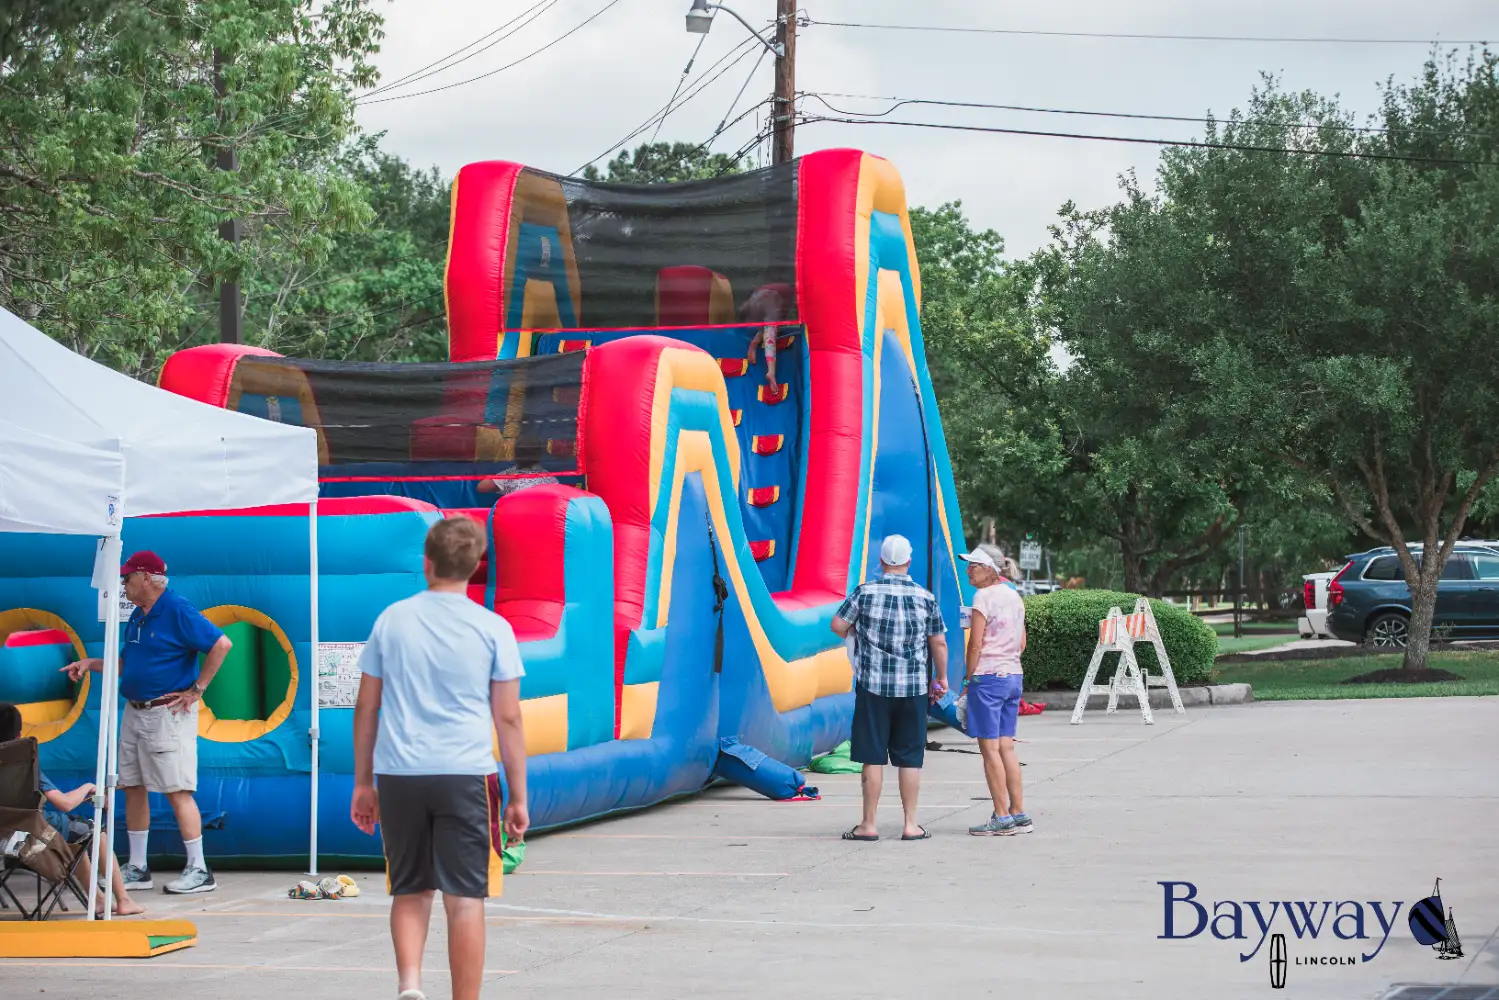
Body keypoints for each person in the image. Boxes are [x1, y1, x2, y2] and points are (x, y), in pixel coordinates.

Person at [350, 516, 529, 1000]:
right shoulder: (493, 628)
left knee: (410, 889)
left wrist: (363, 782)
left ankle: (410, 985)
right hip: (465, 772)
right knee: (465, 899)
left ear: (426, 562)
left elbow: (366, 705)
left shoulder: (392, 620)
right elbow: (508, 718)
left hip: (400, 772)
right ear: (475, 567)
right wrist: (519, 796)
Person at [62, 551, 231, 894]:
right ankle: (138, 867)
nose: (123, 583)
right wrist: (91, 662)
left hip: (166, 714)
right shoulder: (139, 617)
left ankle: (199, 869)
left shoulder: (177, 609)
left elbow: (221, 643)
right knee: (132, 786)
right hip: (135, 711)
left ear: (146, 577)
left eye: (127, 577)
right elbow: (128, 665)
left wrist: (197, 689)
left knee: (176, 789)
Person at [830, 534, 948, 842]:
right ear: (909, 561)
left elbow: (837, 625)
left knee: (873, 755)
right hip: (913, 689)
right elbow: (938, 641)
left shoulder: (864, 593)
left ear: (881, 562)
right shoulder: (925, 597)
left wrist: (859, 632)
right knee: (910, 756)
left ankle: (869, 824)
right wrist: (942, 679)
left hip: (873, 687)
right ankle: (911, 824)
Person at [0, 703, 144, 915]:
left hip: (4, 834)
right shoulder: (21, 764)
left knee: (77, 836)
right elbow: (65, 803)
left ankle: (99, 898)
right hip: (32, 831)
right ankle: (123, 899)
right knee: (95, 831)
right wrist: (88, 787)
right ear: (20, 734)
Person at [959, 547, 1034, 836]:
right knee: (1006, 747)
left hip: (988, 679)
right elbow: (1022, 642)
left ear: (990, 569)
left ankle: (1001, 817)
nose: (969, 570)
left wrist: (968, 678)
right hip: (1013, 676)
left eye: (974, 566)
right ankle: (1018, 812)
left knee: (989, 750)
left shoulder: (982, 597)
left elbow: (974, 644)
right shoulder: (1014, 596)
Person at [741, 284, 788, 392]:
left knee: (769, 327)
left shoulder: (767, 288)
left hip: (755, 299)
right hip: (769, 297)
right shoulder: (784, 292)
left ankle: (753, 345)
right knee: (770, 330)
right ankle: (771, 371)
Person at [477, 440, 559, 497]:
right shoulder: (550, 478)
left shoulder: (509, 474)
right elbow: (482, 487)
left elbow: (482, 487)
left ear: (516, 454)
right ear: (539, 455)